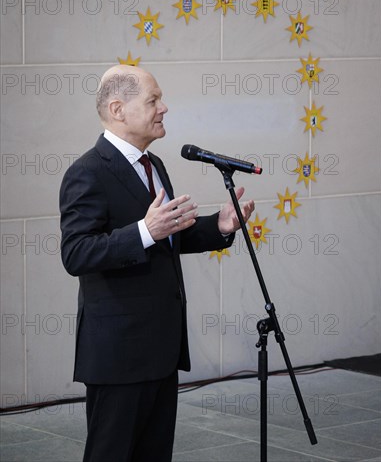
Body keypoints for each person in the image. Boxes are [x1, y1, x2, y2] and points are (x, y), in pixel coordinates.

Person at [59, 65, 255, 462]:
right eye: (153, 100)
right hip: (118, 355)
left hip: (160, 349)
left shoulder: (154, 165)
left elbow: (167, 236)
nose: (164, 108)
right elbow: (76, 252)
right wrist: (144, 230)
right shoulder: (87, 172)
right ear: (118, 109)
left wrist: (217, 227)